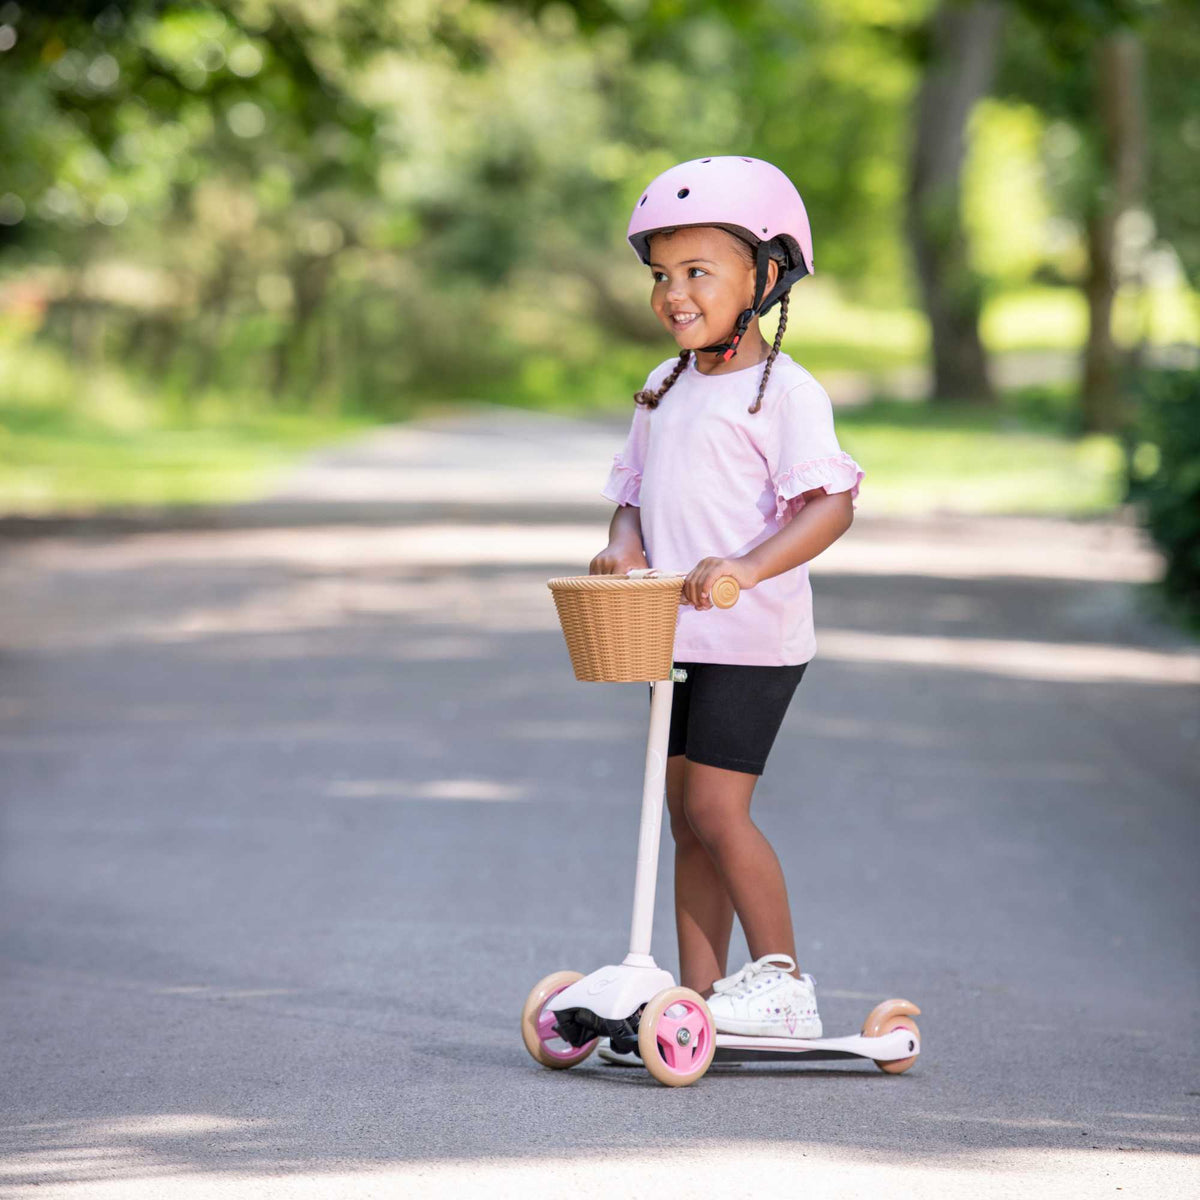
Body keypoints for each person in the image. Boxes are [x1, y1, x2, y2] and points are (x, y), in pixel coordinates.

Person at [588, 156, 864, 1065]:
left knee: (716, 805)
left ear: (766, 276)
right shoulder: (664, 386)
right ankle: (699, 999)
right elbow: (634, 492)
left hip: (753, 636)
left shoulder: (783, 393)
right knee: (680, 812)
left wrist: (747, 566)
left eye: (698, 271)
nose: (674, 293)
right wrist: (626, 544)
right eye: (662, 274)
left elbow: (830, 503)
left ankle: (782, 980)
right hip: (674, 634)